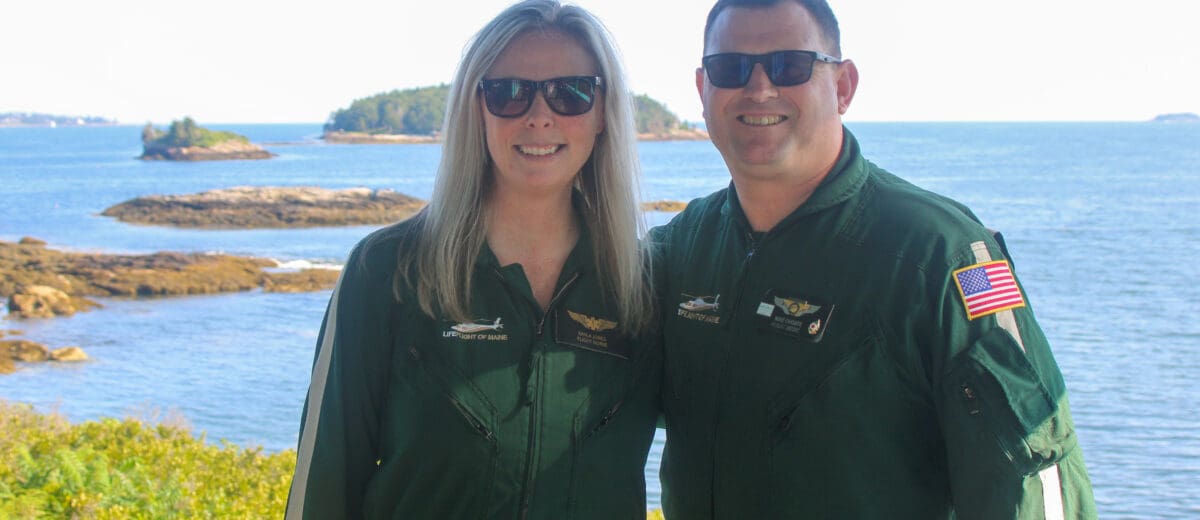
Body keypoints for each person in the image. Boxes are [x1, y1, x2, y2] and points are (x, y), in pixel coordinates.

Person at [652, 0, 1097, 518]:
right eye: (730, 68)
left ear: (843, 87)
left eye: (789, 65)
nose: (759, 88)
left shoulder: (943, 255)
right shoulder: (684, 247)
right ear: (703, 89)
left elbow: (1030, 477)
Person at [285, 1, 659, 518]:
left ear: (602, 114)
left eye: (571, 92)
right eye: (509, 93)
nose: (540, 115)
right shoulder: (388, 271)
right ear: (475, 109)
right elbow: (325, 482)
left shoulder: (642, 283)